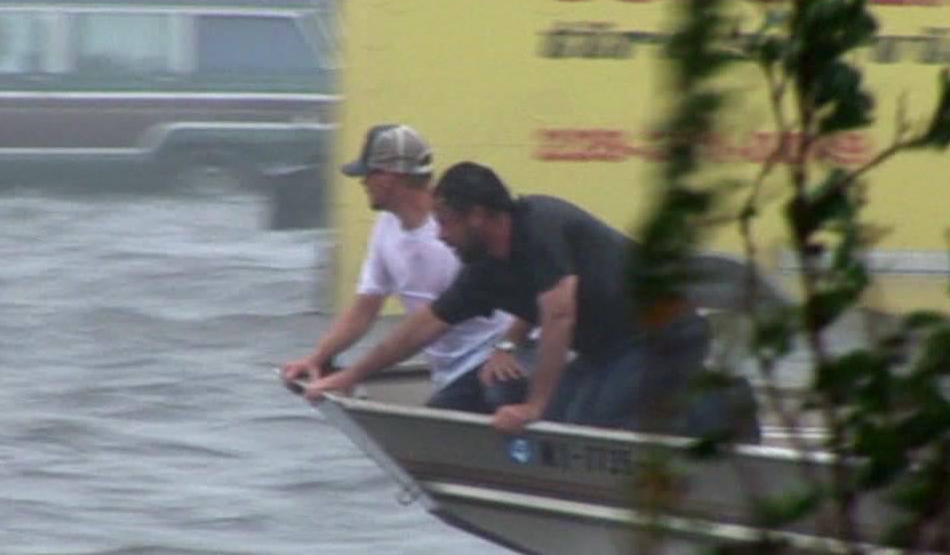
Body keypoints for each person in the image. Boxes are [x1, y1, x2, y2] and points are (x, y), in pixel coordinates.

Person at [304, 160, 722, 436]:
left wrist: (533, 406)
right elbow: (422, 328)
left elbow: (559, 316)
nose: (440, 235)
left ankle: (720, 410)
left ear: (479, 215)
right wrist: (351, 375)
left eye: (446, 222)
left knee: (591, 429)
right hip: (608, 350)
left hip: (667, 333)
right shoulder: (484, 270)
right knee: (561, 423)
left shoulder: (540, 225)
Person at [281, 126, 530, 412]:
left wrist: (353, 375)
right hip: (448, 370)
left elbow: (432, 324)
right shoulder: (385, 227)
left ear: (388, 178)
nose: (362, 182)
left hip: (498, 355)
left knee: (452, 419)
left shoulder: (457, 230)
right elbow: (365, 307)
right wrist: (317, 358)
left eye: (367, 174)